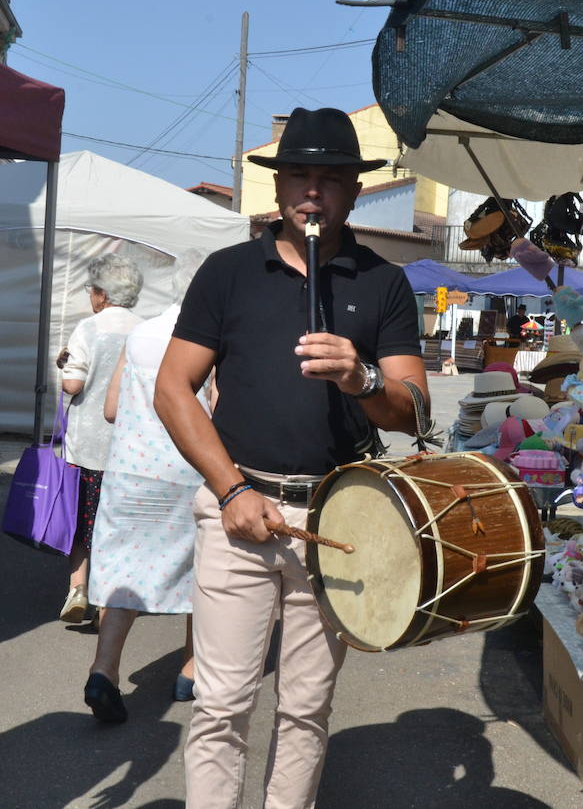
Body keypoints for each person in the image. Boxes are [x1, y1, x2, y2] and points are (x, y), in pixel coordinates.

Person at [155, 107, 429, 808]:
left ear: (356, 190)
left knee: (306, 707)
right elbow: (172, 389)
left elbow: (415, 409)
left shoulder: (382, 282)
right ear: (277, 189)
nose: (313, 192)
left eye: (331, 178)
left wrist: (362, 378)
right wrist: (229, 491)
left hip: (338, 517)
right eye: (299, 176)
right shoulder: (228, 273)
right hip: (238, 510)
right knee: (220, 705)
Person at [83, 251, 208, 723]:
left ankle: (104, 669)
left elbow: (112, 409)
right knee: (204, 569)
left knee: (126, 575)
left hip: (131, 473)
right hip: (188, 470)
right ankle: (191, 669)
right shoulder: (212, 338)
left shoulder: (141, 334)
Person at [56, 254, 145, 624]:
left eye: (93, 290)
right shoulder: (145, 329)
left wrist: (64, 364)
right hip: (129, 448)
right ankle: (109, 603)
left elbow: (72, 384)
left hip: (87, 446)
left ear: (103, 294)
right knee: (115, 527)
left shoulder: (89, 329)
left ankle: (79, 589)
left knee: (81, 523)